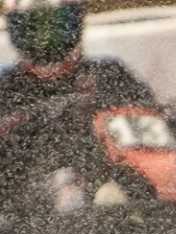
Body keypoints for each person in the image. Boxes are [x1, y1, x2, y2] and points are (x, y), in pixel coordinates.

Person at [0, 0, 165, 213]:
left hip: (112, 185)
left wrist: (169, 120)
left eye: (56, 24)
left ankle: (160, 214)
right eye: (35, 26)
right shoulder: (6, 87)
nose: (45, 37)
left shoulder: (108, 74)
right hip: (28, 204)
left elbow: (159, 131)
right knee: (63, 184)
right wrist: (45, 120)